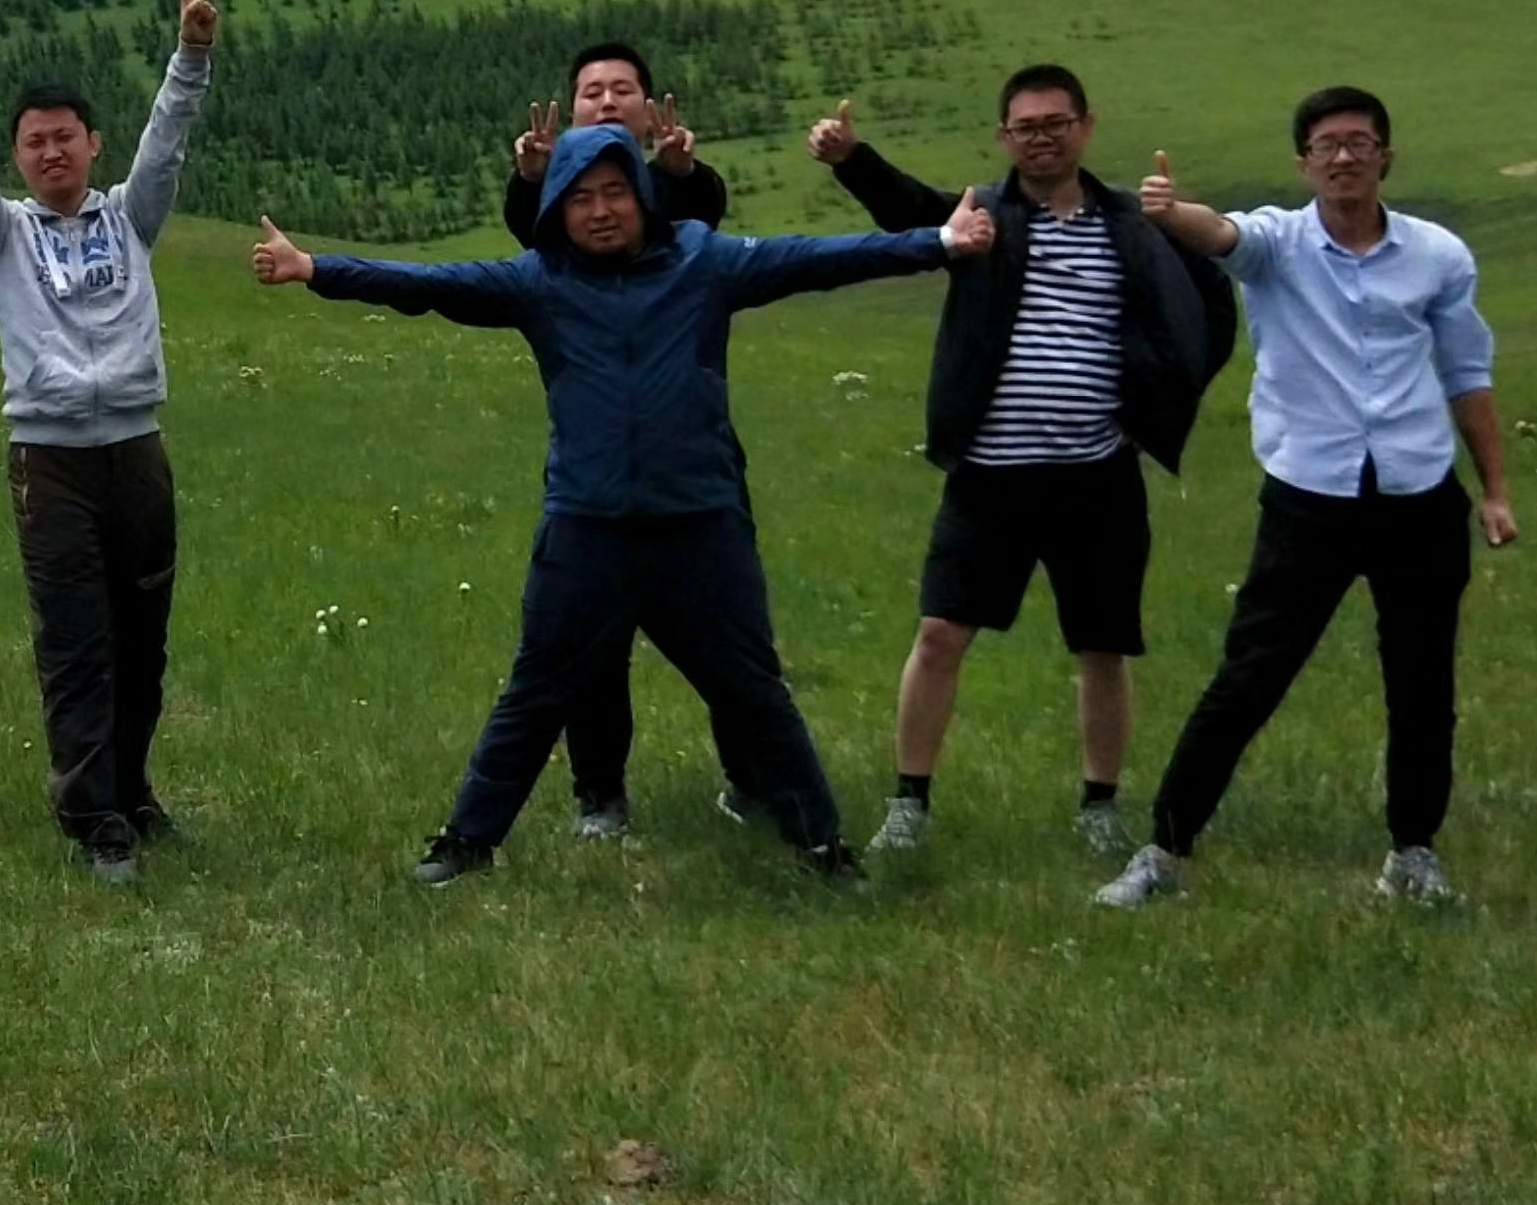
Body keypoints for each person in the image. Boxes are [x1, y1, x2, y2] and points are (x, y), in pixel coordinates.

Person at [251, 123, 993, 890]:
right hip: (587, 529)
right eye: (579, 198)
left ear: (641, 197)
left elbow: (817, 260)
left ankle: (821, 846)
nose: (599, 211)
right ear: (558, 211)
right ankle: (467, 842)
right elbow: (431, 285)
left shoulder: (704, 264)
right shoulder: (541, 282)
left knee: (753, 690)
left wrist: (937, 240)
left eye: (613, 193)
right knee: (537, 690)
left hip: (700, 527)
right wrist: (315, 269)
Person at [806, 69, 1236, 860]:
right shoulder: (983, 217)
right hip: (989, 475)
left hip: (1098, 475)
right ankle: (909, 805)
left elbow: (1208, 307)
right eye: (1025, 126)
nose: (1041, 136)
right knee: (939, 633)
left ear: (1086, 126)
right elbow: (911, 211)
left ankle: (1099, 804)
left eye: (1056, 122)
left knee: (1103, 645)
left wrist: (1157, 412)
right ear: (1005, 137)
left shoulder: (1133, 225)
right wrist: (850, 158)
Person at [1108, 87, 1515, 909]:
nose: (1343, 157)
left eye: (1359, 142)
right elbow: (1221, 235)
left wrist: (1495, 491)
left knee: (1423, 682)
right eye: (1326, 145)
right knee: (1250, 677)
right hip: (1311, 500)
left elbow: (1467, 374)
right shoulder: (1278, 245)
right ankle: (1164, 853)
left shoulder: (1437, 256)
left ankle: (1413, 854)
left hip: (1417, 494)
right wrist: (1167, 211)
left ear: (1385, 156)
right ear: (1303, 163)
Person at [0, 0, 219, 883]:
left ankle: (134, 790)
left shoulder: (132, 216)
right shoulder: (0, 230)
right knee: (76, 639)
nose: (51, 154)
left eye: (65, 138)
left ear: (93, 144)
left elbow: (166, 145)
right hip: (48, 458)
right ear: (17, 158)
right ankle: (95, 820)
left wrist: (192, 54)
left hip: (136, 448)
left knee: (144, 633)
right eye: (33, 143)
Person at [493, 41, 729, 842]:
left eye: (621, 90)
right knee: (591, 648)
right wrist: (531, 180)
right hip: (596, 463)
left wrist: (681, 176)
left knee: (730, 638)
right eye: (590, 91)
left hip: (691, 456)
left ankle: (754, 776)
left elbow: (706, 231)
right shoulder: (558, 191)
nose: (604, 102)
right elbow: (536, 246)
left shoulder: (675, 179)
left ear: (649, 104)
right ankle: (600, 793)